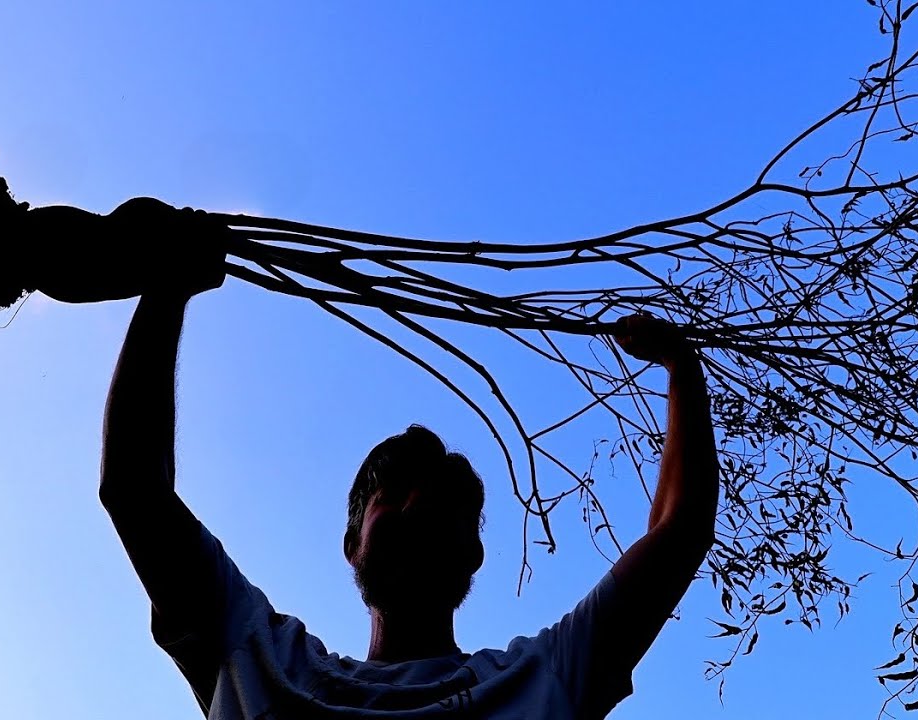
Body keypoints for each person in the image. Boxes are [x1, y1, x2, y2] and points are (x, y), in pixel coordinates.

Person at [98, 236, 719, 719]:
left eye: (442, 502)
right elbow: (134, 488)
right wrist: (165, 290)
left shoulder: (541, 677)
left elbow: (679, 532)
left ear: (474, 553)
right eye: (390, 493)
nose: (417, 503)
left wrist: (681, 367)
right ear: (351, 542)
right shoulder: (256, 656)